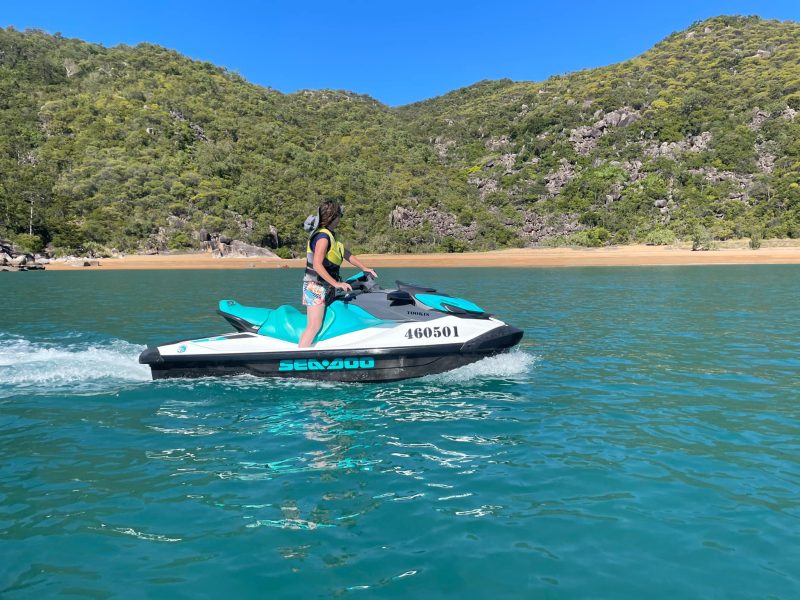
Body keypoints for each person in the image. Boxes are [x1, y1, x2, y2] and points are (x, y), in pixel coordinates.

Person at [298, 199, 377, 348]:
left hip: (326, 286)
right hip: (315, 287)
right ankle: (298, 357)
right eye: (340, 214)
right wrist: (336, 283)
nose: (341, 218)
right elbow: (317, 265)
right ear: (333, 216)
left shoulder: (331, 236)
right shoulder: (322, 237)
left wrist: (364, 268)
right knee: (313, 326)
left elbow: (346, 254)